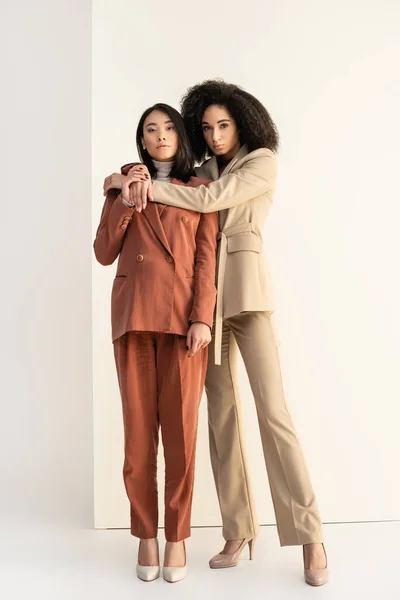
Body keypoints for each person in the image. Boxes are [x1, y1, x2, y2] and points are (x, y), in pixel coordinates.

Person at [112, 81, 328, 587]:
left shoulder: (261, 161)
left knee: (273, 412)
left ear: (244, 122)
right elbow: (180, 180)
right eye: (206, 127)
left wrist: (143, 188)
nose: (215, 134)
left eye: (223, 124)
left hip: (247, 292)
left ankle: (311, 535)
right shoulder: (204, 166)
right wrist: (125, 176)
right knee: (221, 416)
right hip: (203, 302)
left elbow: (208, 198)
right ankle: (238, 530)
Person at [95, 103, 218, 583]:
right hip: (134, 318)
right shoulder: (124, 189)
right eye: (151, 129)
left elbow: (206, 260)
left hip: (183, 322)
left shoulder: (199, 191)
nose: (161, 134)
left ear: (181, 136)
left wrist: (202, 316)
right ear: (142, 141)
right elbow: (104, 253)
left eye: (169, 127)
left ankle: (177, 537)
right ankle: (146, 534)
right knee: (138, 436)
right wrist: (125, 195)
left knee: (182, 438)